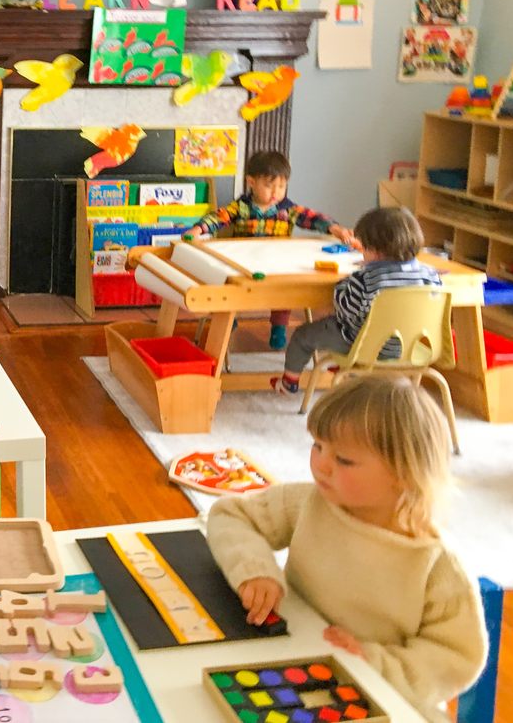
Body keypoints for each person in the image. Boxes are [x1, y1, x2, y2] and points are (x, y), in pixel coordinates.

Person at [207, 376, 487, 722]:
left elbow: (457, 657)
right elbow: (231, 514)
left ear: (404, 473)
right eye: (318, 446)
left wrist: (371, 660)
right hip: (299, 663)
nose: (321, 465)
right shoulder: (311, 501)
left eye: (344, 460)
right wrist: (254, 570)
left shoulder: (437, 562)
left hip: (385, 699)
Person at [186, 151, 358, 349]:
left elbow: (313, 218)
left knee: (283, 290)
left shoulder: (287, 209)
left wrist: (334, 228)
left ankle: (279, 326)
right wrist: (199, 228)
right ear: (251, 182)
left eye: (282, 186)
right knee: (228, 284)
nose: (276, 192)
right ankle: (228, 315)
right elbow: (219, 217)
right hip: (245, 263)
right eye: (269, 186)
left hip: (275, 264)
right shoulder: (242, 207)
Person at [272, 206, 442, 394]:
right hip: (410, 348)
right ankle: (348, 367)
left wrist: (345, 283)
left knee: (303, 335)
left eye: (364, 248)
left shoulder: (366, 279)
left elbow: (345, 309)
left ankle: (289, 382)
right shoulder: (430, 275)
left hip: (366, 346)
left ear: (375, 251)